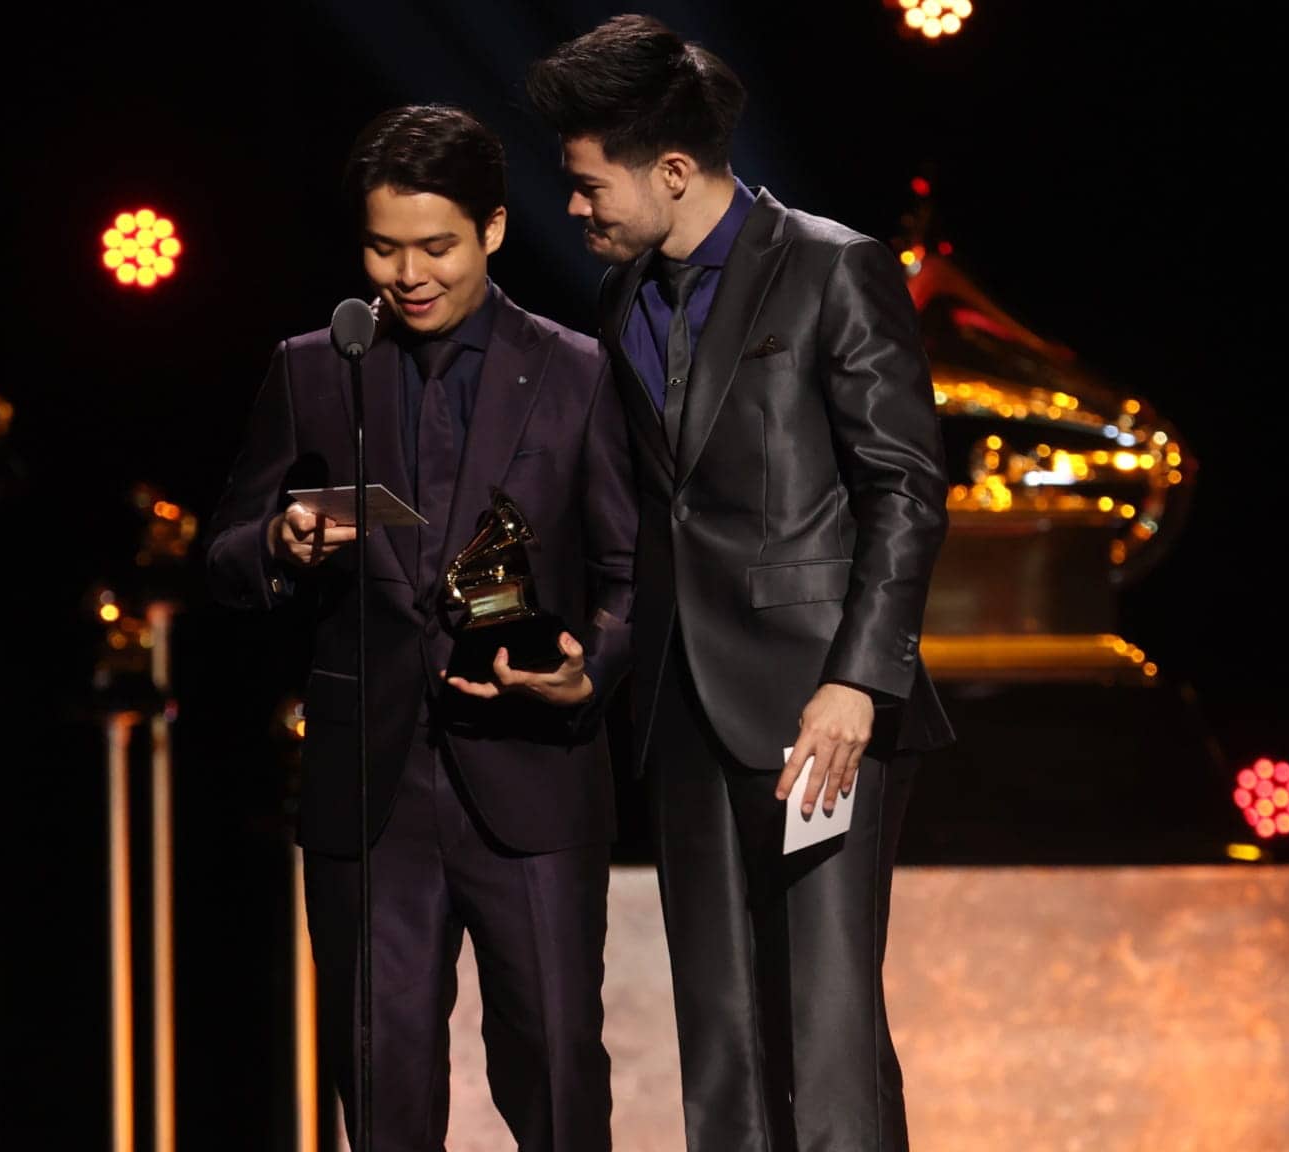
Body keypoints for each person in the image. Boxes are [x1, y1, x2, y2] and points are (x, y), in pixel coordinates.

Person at [527, 17, 953, 1152]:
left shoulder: (830, 267)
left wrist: (858, 680)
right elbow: (634, 526)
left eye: (584, 184)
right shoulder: (617, 307)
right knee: (719, 1033)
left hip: (823, 712)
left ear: (671, 171)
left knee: (823, 1028)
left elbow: (903, 490)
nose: (572, 209)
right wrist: (597, 658)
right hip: (679, 709)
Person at [205, 103, 636, 1151]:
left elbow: (632, 572)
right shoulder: (314, 369)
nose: (408, 275)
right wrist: (281, 539)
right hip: (371, 789)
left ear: (491, 229)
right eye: (383, 248)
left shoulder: (574, 371)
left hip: (531, 773)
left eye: (435, 246)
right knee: (382, 1070)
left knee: (554, 1066)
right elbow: (224, 555)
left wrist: (590, 670)